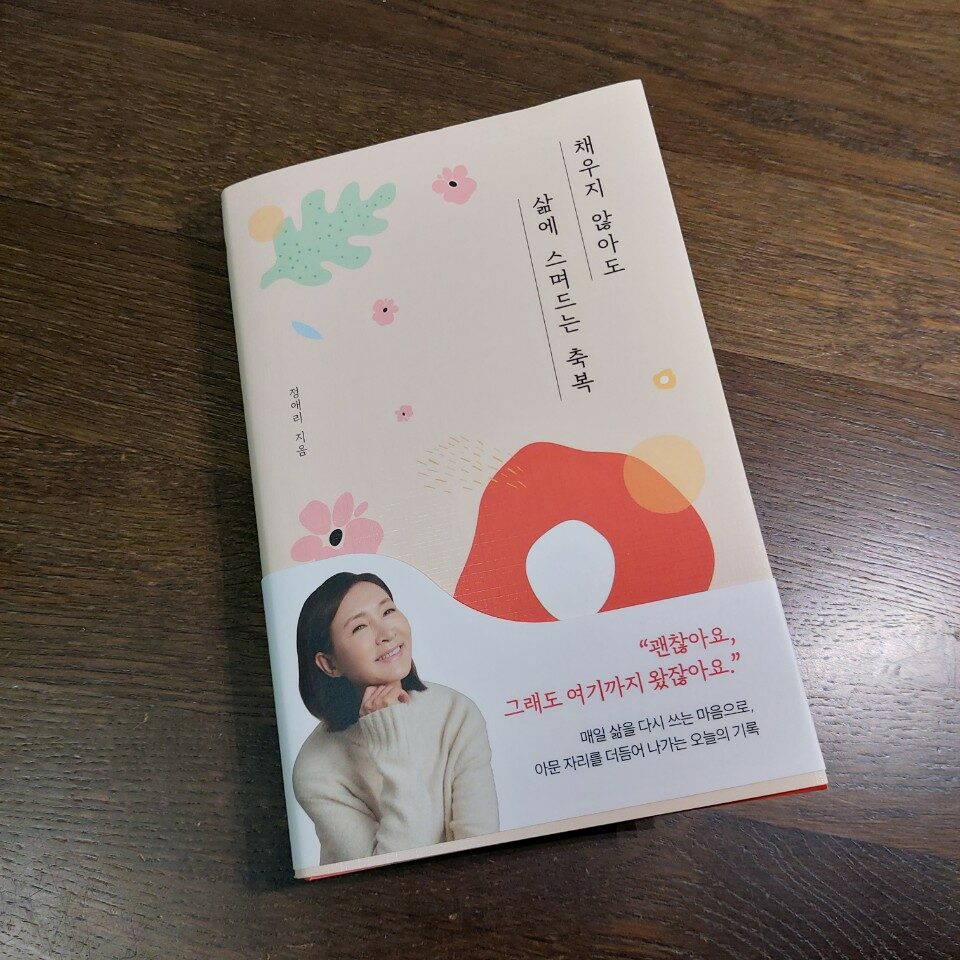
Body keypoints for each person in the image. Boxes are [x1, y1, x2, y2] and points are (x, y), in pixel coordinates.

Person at [292, 571, 500, 865]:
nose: (386, 633)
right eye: (360, 627)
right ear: (329, 664)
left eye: (388, 611)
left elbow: (481, 851)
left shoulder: (456, 713)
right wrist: (390, 743)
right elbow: (391, 871)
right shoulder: (315, 769)